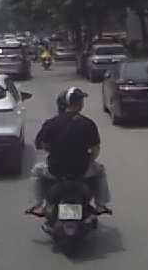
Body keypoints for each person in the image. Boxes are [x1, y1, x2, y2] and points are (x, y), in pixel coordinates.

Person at [26, 87, 111, 217]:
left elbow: (42, 144)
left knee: (37, 171)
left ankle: (38, 205)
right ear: (80, 104)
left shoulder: (51, 123)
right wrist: (89, 161)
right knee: (100, 171)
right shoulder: (88, 123)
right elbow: (95, 149)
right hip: (82, 171)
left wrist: (54, 149)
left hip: (55, 171)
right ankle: (100, 205)